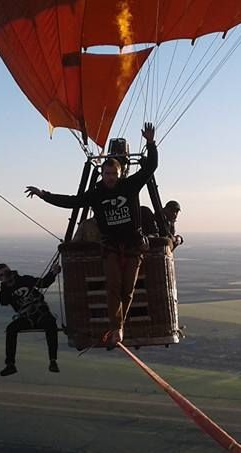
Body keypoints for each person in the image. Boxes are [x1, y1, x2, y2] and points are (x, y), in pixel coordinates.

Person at [26, 122, 158, 349]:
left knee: (127, 290)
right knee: (113, 287)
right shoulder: (96, 194)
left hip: (133, 246)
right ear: (102, 174)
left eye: (113, 174)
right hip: (111, 248)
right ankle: (117, 328)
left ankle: (119, 326)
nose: (110, 178)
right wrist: (44, 195)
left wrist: (151, 143)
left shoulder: (130, 186)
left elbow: (150, 168)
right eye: (107, 174)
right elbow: (72, 201)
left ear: (120, 174)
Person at [0, 262, 61, 376]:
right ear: (0, 278)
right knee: (11, 329)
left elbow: (43, 283)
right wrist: (6, 285)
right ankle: (10, 365)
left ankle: (53, 361)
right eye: (2, 274)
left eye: (7, 272)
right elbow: (3, 301)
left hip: (41, 314)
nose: (6, 275)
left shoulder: (25, 280)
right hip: (26, 319)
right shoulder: (6, 291)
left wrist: (53, 272)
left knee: (50, 323)